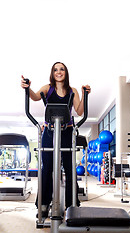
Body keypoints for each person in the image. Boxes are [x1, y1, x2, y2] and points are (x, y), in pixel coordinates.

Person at [21, 62, 91, 217]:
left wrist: (85, 95)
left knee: (70, 168)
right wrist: (27, 88)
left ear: (66, 72)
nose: (58, 72)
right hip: (49, 132)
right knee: (47, 168)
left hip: (67, 132)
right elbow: (34, 97)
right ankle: (44, 203)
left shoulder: (72, 91)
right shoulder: (48, 88)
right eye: (55, 70)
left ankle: (72, 204)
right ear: (52, 73)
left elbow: (79, 111)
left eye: (62, 69)